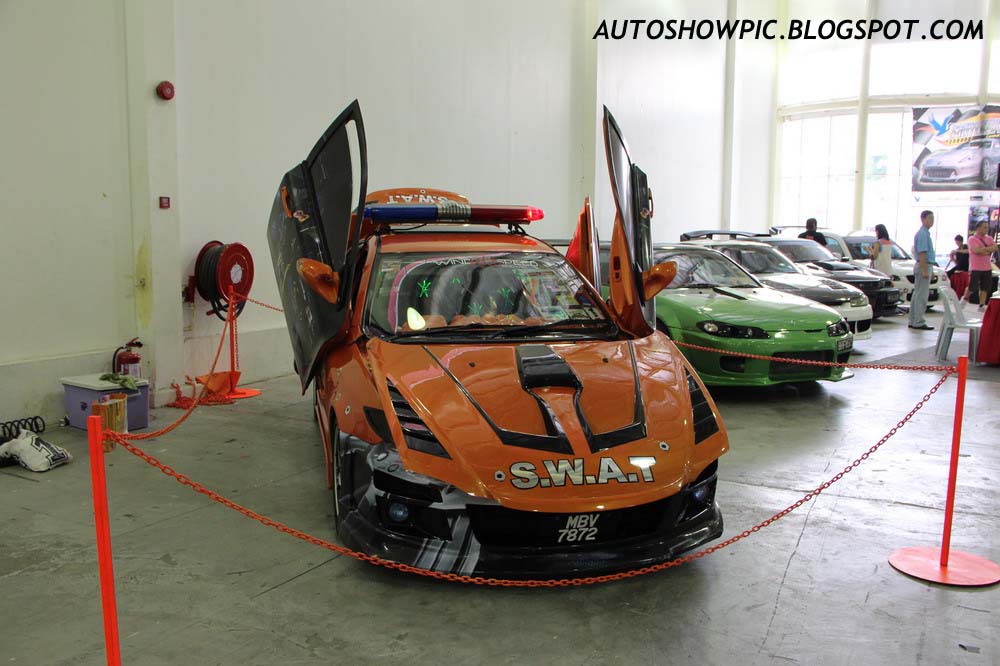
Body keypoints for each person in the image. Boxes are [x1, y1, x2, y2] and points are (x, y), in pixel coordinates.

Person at [909, 210, 935, 330]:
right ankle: (918, 321)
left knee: (917, 294)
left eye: (932, 218)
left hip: (923, 265)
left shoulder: (924, 233)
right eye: (929, 218)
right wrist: (925, 270)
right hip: (923, 265)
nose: (931, 221)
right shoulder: (923, 234)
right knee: (922, 295)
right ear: (922, 219)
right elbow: (922, 253)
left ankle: (913, 320)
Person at [967, 220, 998, 309]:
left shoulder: (989, 238)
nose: (987, 229)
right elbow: (976, 251)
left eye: (987, 227)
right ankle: (965, 298)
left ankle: (981, 305)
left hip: (987, 268)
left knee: (985, 288)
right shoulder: (972, 239)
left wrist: (983, 250)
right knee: (972, 287)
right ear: (978, 228)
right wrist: (988, 250)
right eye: (985, 227)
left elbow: (995, 248)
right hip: (976, 268)